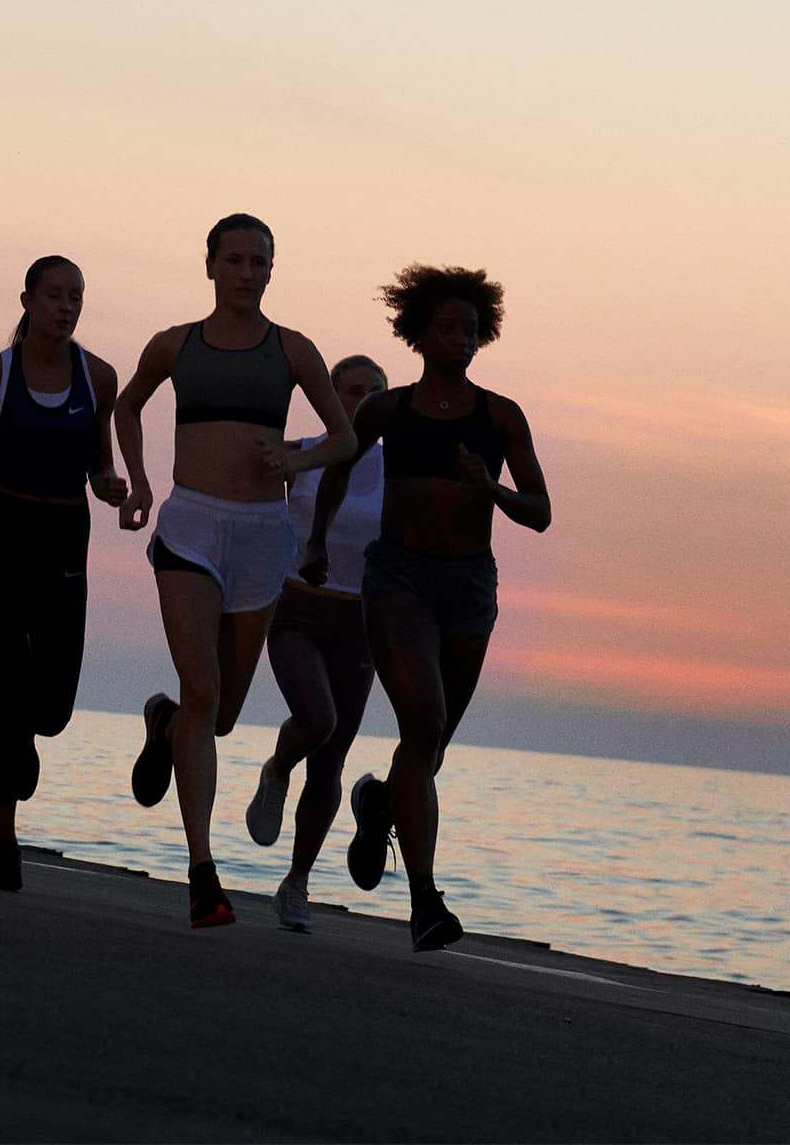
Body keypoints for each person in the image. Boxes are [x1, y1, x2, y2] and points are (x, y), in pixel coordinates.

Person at [114, 214, 356, 928]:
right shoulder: (175, 344)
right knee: (201, 685)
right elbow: (127, 408)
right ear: (211, 265)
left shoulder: (293, 350)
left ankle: (163, 726)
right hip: (190, 526)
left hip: (259, 538)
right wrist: (140, 482)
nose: (248, 272)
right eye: (236, 259)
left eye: (260, 262)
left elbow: (343, 437)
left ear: (273, 271)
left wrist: (298, 458)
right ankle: (202, 872)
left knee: (216, 716)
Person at [302, 264, 550, 951]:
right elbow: (337, 474)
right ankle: (425, 902)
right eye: (447, 329)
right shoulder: (386, 411)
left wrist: (492, 492)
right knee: (427, 720)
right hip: (399, 580)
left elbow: (541, 511)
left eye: (471, 331)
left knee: (428, 744)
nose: (460, 341)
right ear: (419, 332)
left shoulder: (501, 417)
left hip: (469, 586)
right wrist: (317, 543)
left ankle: (381, 801)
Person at [0, 255, 127, 891]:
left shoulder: (99, 377)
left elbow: (100, 465)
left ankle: (29, 738)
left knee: (53, 710)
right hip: (2, 541)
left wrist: (111, 484)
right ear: (28, 301)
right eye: (56, 295)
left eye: (77, 297)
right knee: (11, 692)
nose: (67, 307)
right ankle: (4, 843)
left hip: (66, 541)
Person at [245, 354, 389, 932]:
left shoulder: (394, 467)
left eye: (371, 394)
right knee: (318, 718)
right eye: (348, 391)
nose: (358, 402)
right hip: (297, 610)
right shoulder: (300, 453)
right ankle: (278, 766)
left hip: (361, 624)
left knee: (330, 760)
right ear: (327, 395)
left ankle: (296, 882)